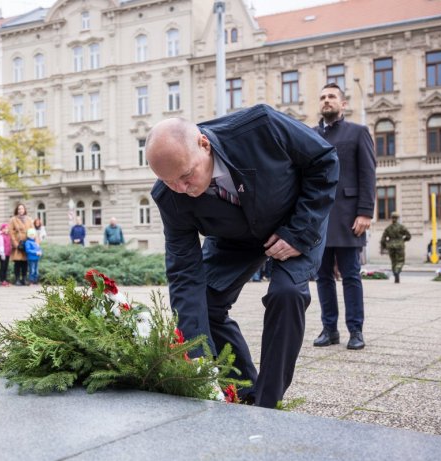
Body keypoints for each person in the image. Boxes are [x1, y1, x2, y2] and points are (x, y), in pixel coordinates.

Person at [145, 105, 338, 408]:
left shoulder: (261, 127)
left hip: (295, 218)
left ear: (204, 145)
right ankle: (245, 388)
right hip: (234, 236)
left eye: (185, 176)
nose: (181, 189)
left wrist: (299, 232)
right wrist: (197, 361)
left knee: (286, 293)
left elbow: (324, 160)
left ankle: (267, 403)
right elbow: (185, 274)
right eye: (170, 182)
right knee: (207, 301)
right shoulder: (170, 196)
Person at [313, 83, 376, 351]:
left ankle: (356, 330)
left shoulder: (358, 132)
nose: (327, 101)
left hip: (350, 217)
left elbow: (368, 174)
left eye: (331, 97)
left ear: (343, 103)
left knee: (351, 276)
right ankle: (329, 329)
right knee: (322, 277)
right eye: (323, 97)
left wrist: (365, 212)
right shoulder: (311, 134)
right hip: (318, 218)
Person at [380, 212, 411, 283]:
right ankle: (397, 271)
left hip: (390, 245)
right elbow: (408, 236)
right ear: (397, 218)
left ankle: (395, 275)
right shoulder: (401, 227)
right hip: (400, 245)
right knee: (400, 261)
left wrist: (385, 246)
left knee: (393, 261)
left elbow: (383, 240)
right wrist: (403, 240)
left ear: (392, 218)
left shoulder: (388, 228)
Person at [9, 203, 33, 286]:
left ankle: (24, 279)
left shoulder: (29, 219)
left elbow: (33, 231)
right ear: (17, 210)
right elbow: (11, 233)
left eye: (22, 209)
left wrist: (33, 243)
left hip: (27, 243)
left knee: (25, 263)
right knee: (18, 263)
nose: (20, 210)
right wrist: (16, 244)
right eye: (19, 209)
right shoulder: (13, 219)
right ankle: (17, 279)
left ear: (24, 210)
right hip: (18, 243)